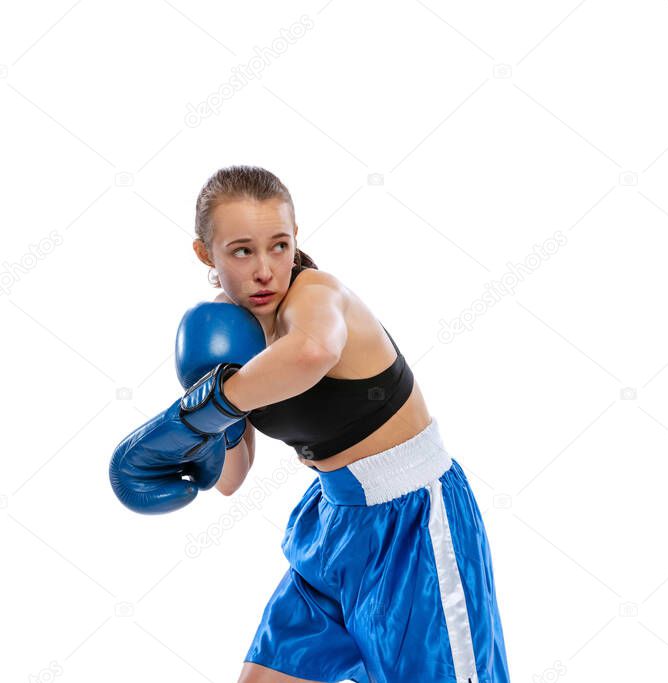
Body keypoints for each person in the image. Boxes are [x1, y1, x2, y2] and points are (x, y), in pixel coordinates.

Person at [190, 165, 511, 683]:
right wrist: (205, 425)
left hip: (413, 526)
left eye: (279, 245)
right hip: (332, 527)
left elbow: (312, 351)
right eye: (242, 251)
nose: (266, 270)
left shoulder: (317, 295)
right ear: (207, 254)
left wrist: (215, 402)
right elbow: (231, 479)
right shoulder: (223, 334)